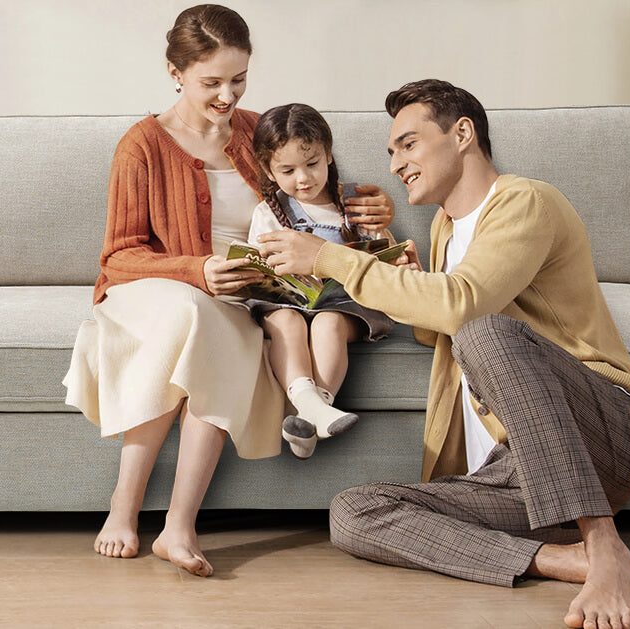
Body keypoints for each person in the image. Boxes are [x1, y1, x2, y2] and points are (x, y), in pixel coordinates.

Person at [256, 79, 630, 629]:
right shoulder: (444, 228)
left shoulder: (525, 201)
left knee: (483, 330)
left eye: (408, 144)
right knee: (352, 513)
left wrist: (329, 259)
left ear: (463, 133)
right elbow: (442, 332)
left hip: (601, 431)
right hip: (512, 472)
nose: (395, 164)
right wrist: (408, 289)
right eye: (391, 152)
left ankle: (603, 546)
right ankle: (564, 560)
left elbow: (466, 311)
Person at [61, 4, 393, 578]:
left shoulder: (257, 131)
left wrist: (374, 208)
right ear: (175, 71)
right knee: (196, 315)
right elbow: (118, 256)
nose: (227, 96)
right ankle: (124, 506)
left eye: (238, 79)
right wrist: (197, 270)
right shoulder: (141, 145)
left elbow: (315, 191)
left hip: (249, 293)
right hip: (162, 286)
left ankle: (177, 527)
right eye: (211, 82)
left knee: (222, 331)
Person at [246, 103, 397, 459]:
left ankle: (316, 407)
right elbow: (258, 266)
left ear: (328, 155)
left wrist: (389, 246)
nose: (303, 178)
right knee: (286, 322)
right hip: (289, 301)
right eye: (288, 170)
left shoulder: (354, 203)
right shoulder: (268, 213)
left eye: (312, 163)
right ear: (268, 170)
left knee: (327, 323)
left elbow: (383, 251)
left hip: (343, 303)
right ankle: (313, 413)